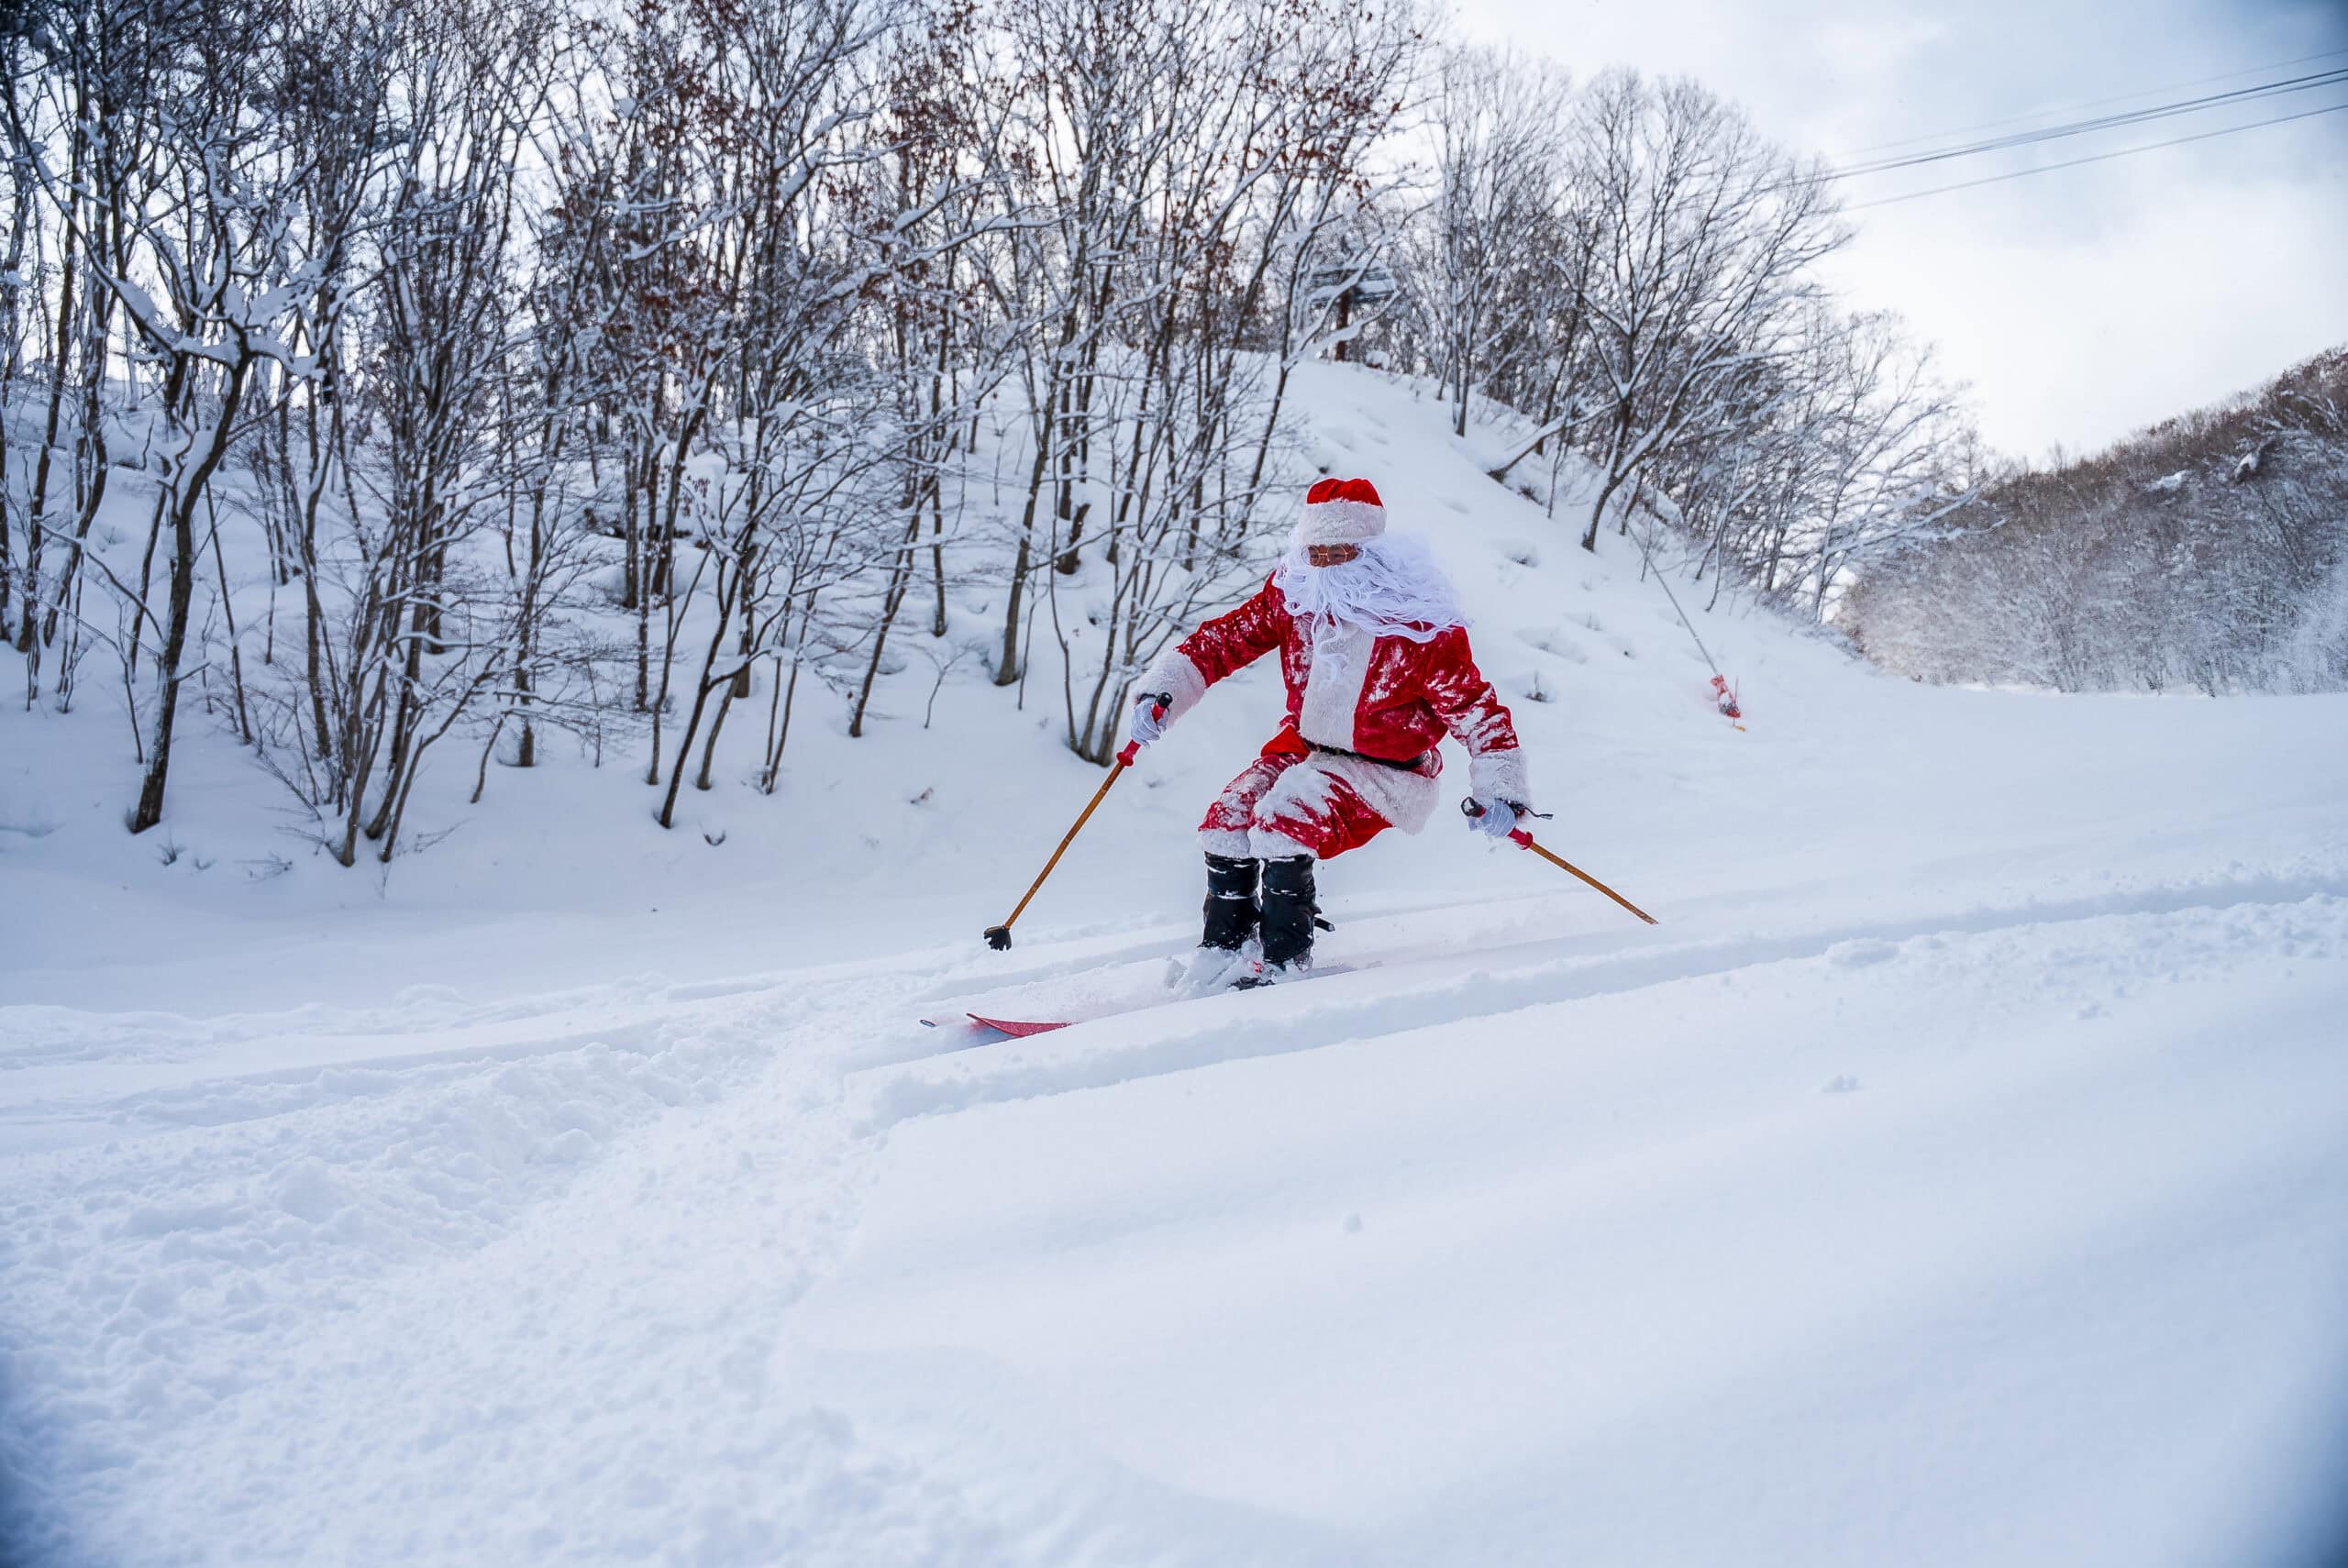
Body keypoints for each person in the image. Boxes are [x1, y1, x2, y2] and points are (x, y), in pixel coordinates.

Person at [1127, 476, 1534, 987]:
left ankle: (1282, 962)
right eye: (1315, 553)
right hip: (1304, 748)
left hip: (1384, 772)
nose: (1325, 566)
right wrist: (1162, 692)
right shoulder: (1296, 596)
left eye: (1338, 553)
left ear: (1370, 552)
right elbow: (1224, 640)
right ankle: (1223, 949)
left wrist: (1501, 793)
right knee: (1227, 819)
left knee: (1282, 822)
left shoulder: (1419, 627)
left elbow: (1477, 712)